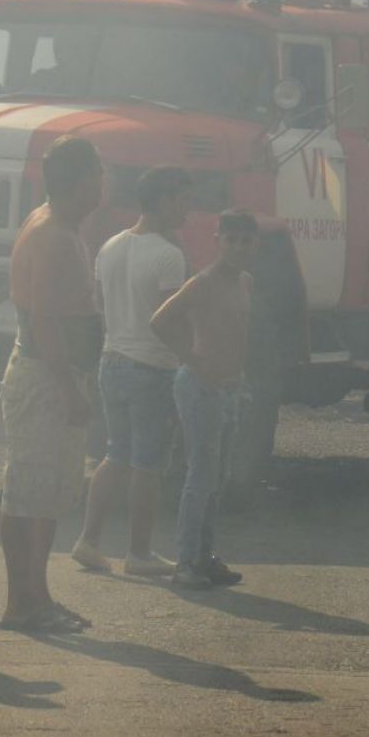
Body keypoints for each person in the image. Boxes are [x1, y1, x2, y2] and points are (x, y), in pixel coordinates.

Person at [0, 137, 104, 631]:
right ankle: (23, 603)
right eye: (99, 176)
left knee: (46, 493)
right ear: (84, 181)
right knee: (29, 491)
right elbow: (44, 321)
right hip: (46, 375)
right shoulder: (53, 234)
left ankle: (36, 597)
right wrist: (69, 390)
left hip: (53, 372)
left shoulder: (58, 225)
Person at [72, 166, 193, 577]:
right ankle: (139, 552)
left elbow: (100, 303)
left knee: (116, 453)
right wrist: (193, 359)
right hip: (152, 365)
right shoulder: (169, 255)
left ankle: (88, 540)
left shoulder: (110, 246)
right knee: (148, 462)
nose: (186, 208)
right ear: (162, 201)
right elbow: (172, 318)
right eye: (181, 199)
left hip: (113, 359)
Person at [152, 210, 258, 590]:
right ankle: (185, 562)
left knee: (218, 476)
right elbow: (160, 321)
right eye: (231, 240)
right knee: (200, 475)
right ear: (218, 241)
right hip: (200, 388)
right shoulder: (203, 282)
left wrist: (239, 379)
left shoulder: (245, 282)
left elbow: (240, 332)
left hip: (229, 389)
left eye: (245, 241)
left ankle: (205, 556)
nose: (238, 247)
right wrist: (194, 360)